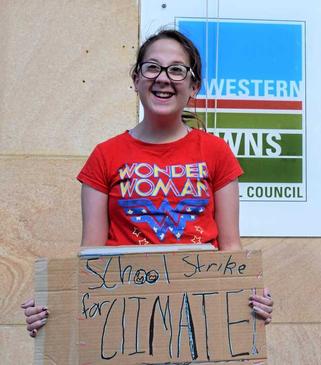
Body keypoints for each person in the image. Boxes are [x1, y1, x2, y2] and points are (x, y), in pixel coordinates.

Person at [22, 29, 273, 338]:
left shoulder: (216, 152)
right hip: (126, 324)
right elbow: (91, 256)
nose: (163, 78)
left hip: (199, 320)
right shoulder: (104, 155)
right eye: (152, 67)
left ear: (194, 86)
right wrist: (53, 309)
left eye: (177, 70)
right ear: (136, 79)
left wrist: (249, 298)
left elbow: (231, 248)